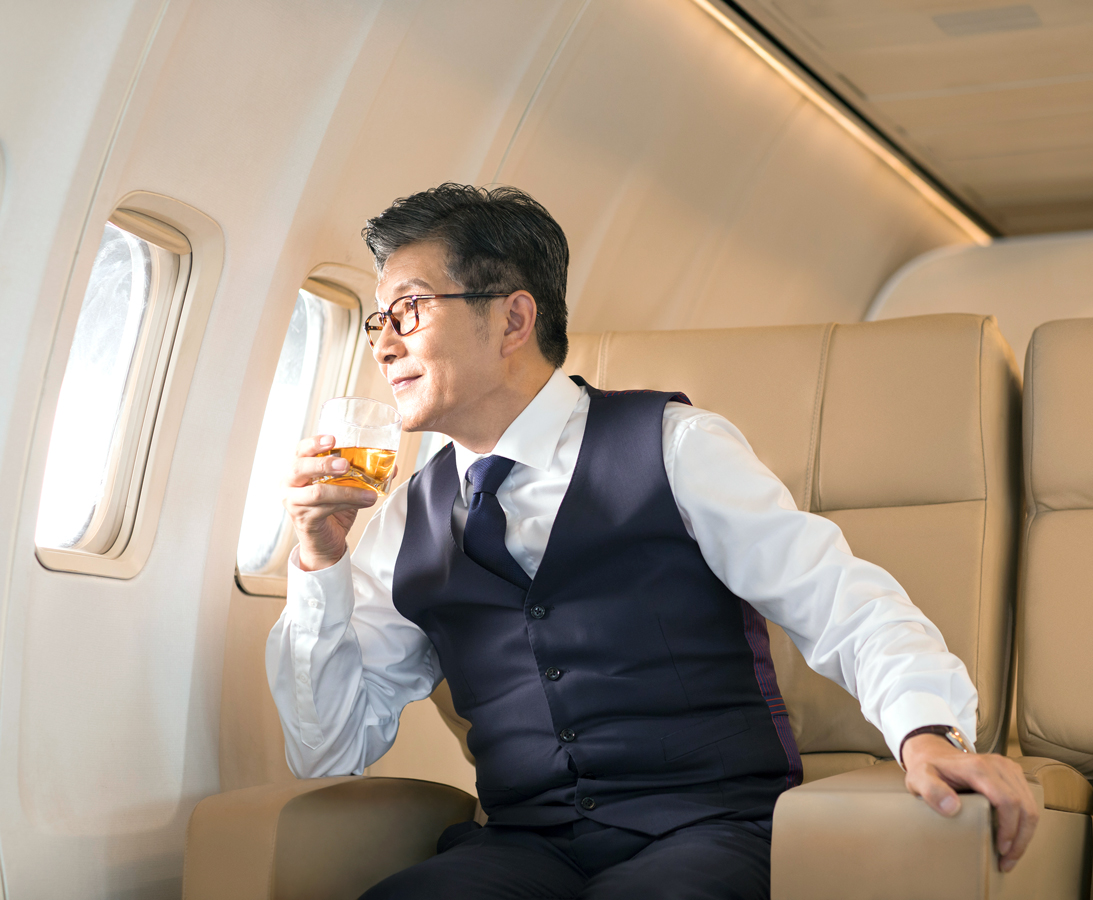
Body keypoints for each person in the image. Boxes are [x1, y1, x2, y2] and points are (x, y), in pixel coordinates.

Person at [268, 183, 1037, 899]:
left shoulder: (674, 445)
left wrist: (927, 730)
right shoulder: (404, 518)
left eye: (408, 310)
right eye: (377, 319)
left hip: (712, 832)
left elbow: (842, 601)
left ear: (512, 319)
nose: (383, 344)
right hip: (524, 848)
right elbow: (330, 750)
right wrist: (319, 560)